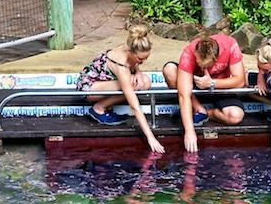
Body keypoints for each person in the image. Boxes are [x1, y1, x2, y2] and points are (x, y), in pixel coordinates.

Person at [75, 21, 165, 154]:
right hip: (89, 87)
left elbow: (134, 63)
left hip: (106, 81)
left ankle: (104, 105)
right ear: (130, 52)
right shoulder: (122, 66)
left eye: (146, 58)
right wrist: (151, 138)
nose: (143, 61)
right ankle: (99, 108)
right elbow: (134, 106)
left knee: (144, 81)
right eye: (140, 59)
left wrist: (138, 72)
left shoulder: (130, 44)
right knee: (132, 86)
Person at [163, 33, 246, 153]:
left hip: (219, 85)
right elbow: (183, 95)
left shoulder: (230, 45)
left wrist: (212, 83)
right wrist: (189, 131)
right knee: (169, 70)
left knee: (235, 116)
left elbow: (240, 81)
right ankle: (198, 109)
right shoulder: (189, 52)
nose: (202, 67)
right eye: (198, 62)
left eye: (205, 65)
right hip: (195, 84)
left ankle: (207, 113)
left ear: (215, 59)